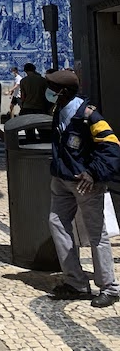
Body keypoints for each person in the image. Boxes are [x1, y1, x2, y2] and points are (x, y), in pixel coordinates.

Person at [46, 70, 120, 307]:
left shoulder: (90, 116)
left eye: (52, 88)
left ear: (64, 92)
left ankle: (109, 287)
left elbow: (112, 147)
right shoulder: (59, 110)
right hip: (62, 180)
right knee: (56, 223)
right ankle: (76, 283)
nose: (48, 92)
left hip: (85, 184)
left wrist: (93, 172)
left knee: (96, 233)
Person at [19, 62, 49, 143]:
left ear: (25, 70)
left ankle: (30, 140)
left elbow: (23, 96)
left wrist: (22, 104)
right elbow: (46, 94)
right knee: (41, 126)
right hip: (40, 106)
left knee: (29, 127)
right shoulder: (42, 80)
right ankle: (44, 140)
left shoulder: (23, 81)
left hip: (28, 106)